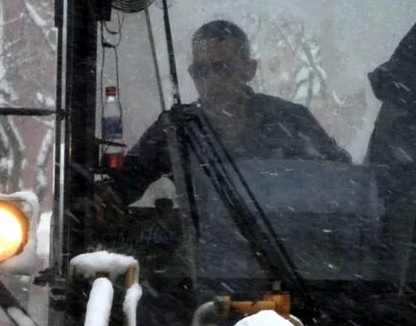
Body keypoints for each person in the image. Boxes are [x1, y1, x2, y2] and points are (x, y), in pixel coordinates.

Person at [113, 19, 347, 200]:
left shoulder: (291, 120)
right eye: (200, 71)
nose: (211, 81)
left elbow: (341, 181)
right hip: (203, 254)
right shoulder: (178, 128)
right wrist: (100, 202)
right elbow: (124, 184)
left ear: (250, 69)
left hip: (283, 252)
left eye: (222, 68)